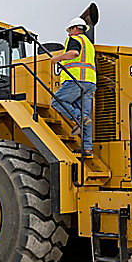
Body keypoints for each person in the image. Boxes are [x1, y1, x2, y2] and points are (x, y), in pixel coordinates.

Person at [50, 17, 96, 158]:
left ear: (74, 29)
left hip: (76, 80)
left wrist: (56, 58)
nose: (69, 33)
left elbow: (74, 53)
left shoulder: (75, 39)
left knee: (56, 102)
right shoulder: (89, 44)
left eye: (70, 30)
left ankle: (78, 118)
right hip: (90, 82)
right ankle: (87, 148)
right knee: (86, 114)